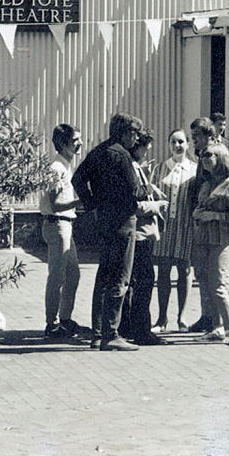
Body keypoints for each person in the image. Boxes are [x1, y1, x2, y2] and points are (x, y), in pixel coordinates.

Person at [72, 112, 145, 351]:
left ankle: (97, 333)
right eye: (134, 133)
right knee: (120, 278)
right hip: (124, 221)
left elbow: (78, 179)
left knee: (103, 276)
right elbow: (135, 192)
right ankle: (111, 333)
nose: (136, 138)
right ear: (124, 132)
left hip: (103, 220)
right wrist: (146, 191)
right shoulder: (123, 156)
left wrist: (92, 202)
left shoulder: (98, 152)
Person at [192, 147, 229, 345]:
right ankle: (217, 327)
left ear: (221, 158)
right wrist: (198, 213)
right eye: (202, 156)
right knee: (206, 282)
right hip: (204, 238)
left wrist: (216, 216)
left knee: (218, 283)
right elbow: (200, 206)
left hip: (221, 240)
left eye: (209, 155)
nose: (204, 159)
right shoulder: (207, 184)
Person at [119, 132, 166, 346]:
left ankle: (128, 325)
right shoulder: (131, 167)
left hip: (144, 232)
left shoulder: (137, 167)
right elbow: (134, 203)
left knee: (136, 281)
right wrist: (155, 206)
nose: (147, 152)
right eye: (144, 148)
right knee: (144, 280)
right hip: (139, 232)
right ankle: (141, 329)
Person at [152, 129, 197, 332]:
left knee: (184, 271)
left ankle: (182, 317)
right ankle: (162, 318)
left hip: (186, 226)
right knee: (163, 272)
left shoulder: (195, 170)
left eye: (181, 142)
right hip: (165, 227)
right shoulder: (160, 168)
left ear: (187, 144)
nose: (177, 146)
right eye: (173, 142)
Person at [41, 123, 83, 340]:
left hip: (66, 224)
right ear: (63, 143)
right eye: (75, 140)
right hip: (57, 224)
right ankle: (52, 324)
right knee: (57, 276)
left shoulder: (65, 165)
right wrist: (80, 201)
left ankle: (65, 319)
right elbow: (56, 203)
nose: (80, 144)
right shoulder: (57, 168)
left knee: (73, 274)